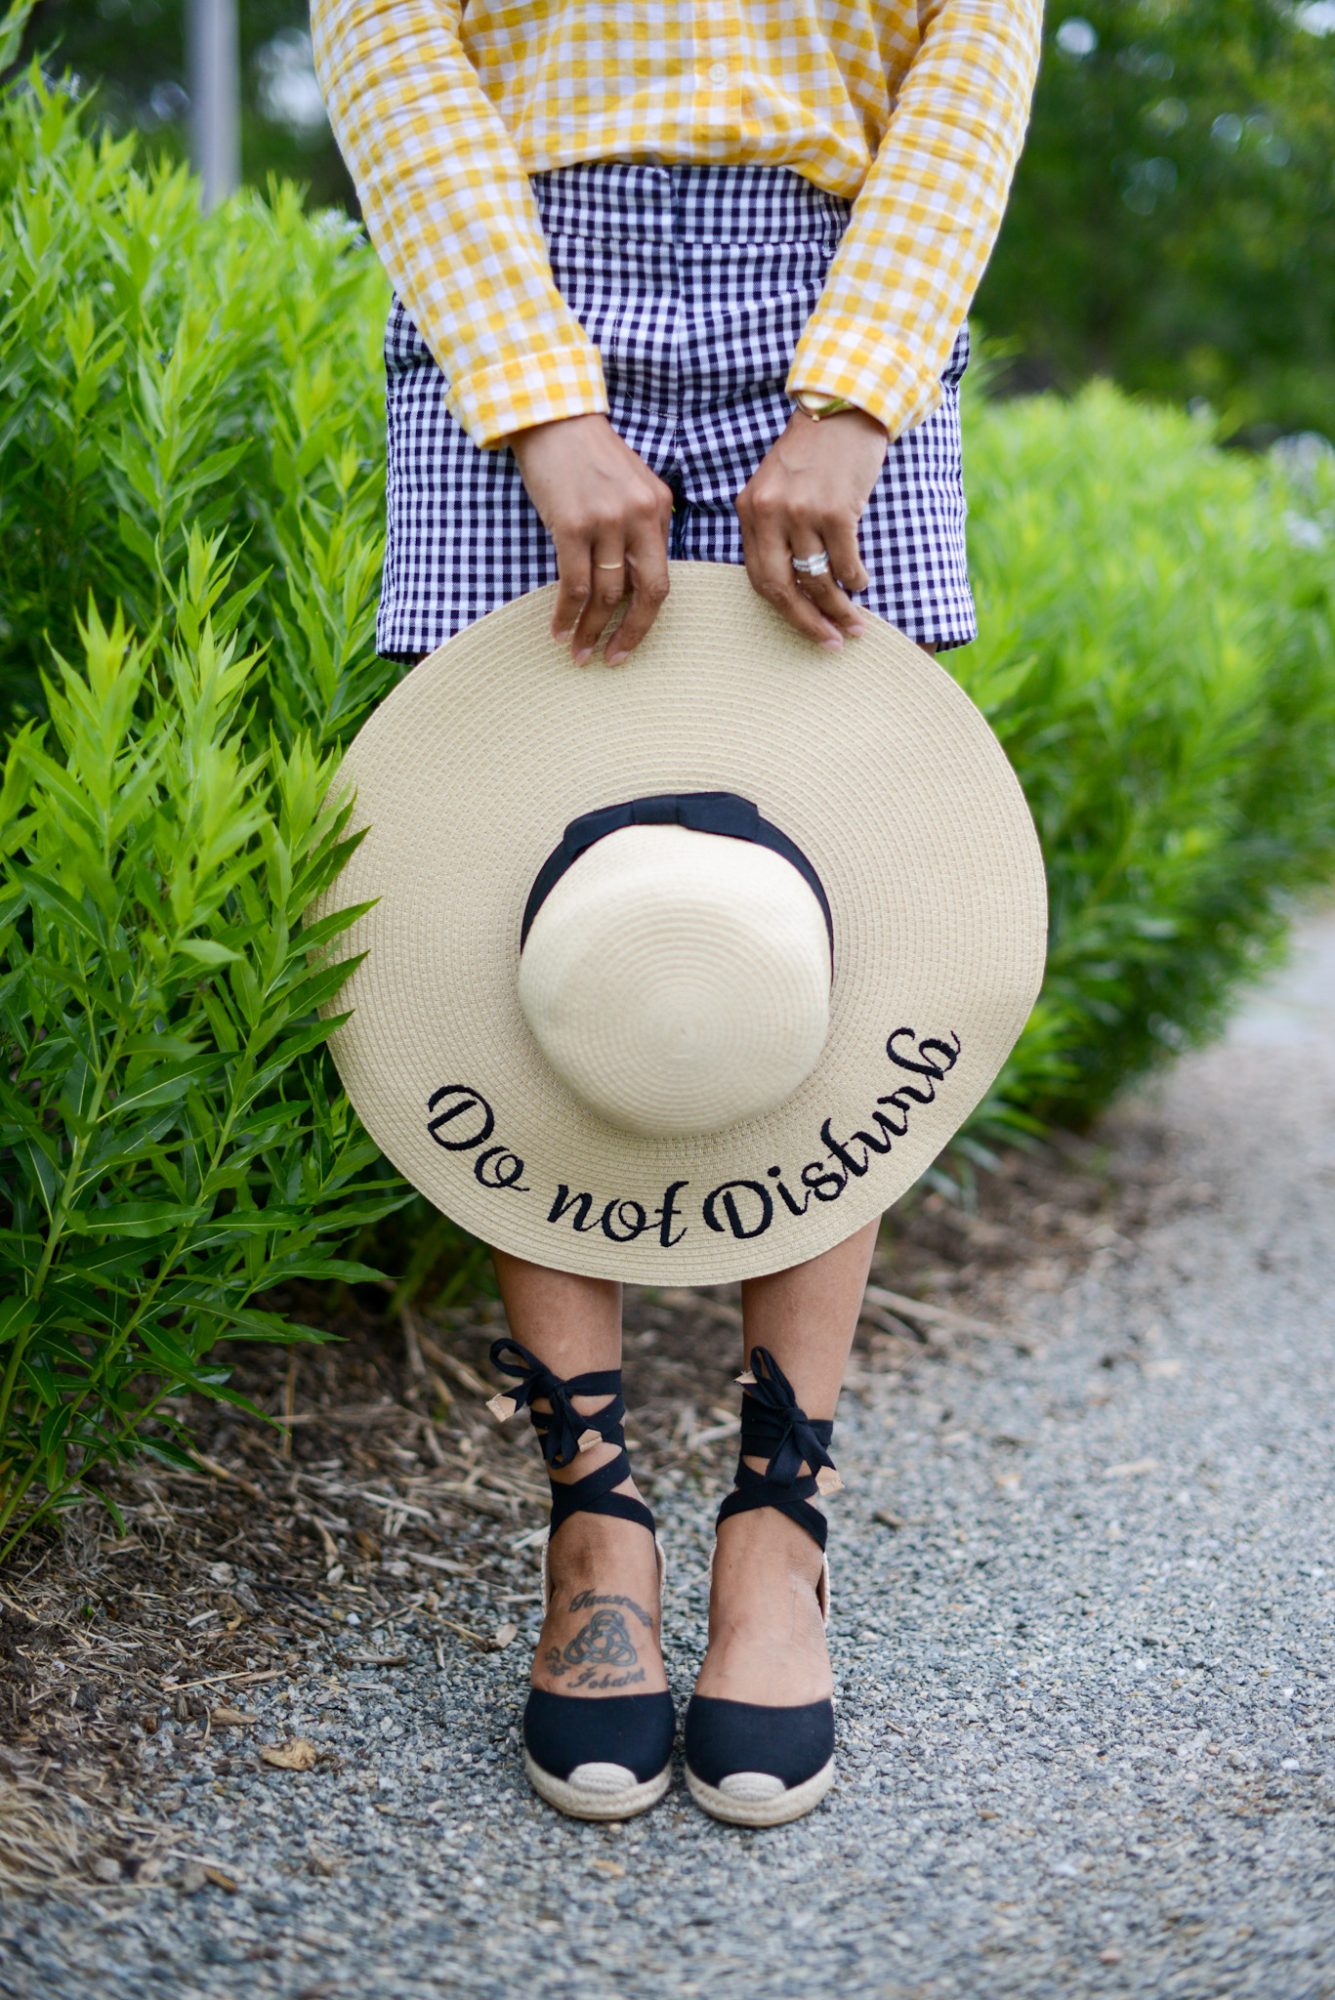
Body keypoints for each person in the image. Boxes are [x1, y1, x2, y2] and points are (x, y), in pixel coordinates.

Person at [311, 0, 1044, 1823]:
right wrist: (535, 395)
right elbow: (391, 33)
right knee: (535, 921)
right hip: (516, 264)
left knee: (826, 921)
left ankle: (779, 1531)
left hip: (841, 280)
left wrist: (862, 388)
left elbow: (975, 50)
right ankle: (596, 1534)